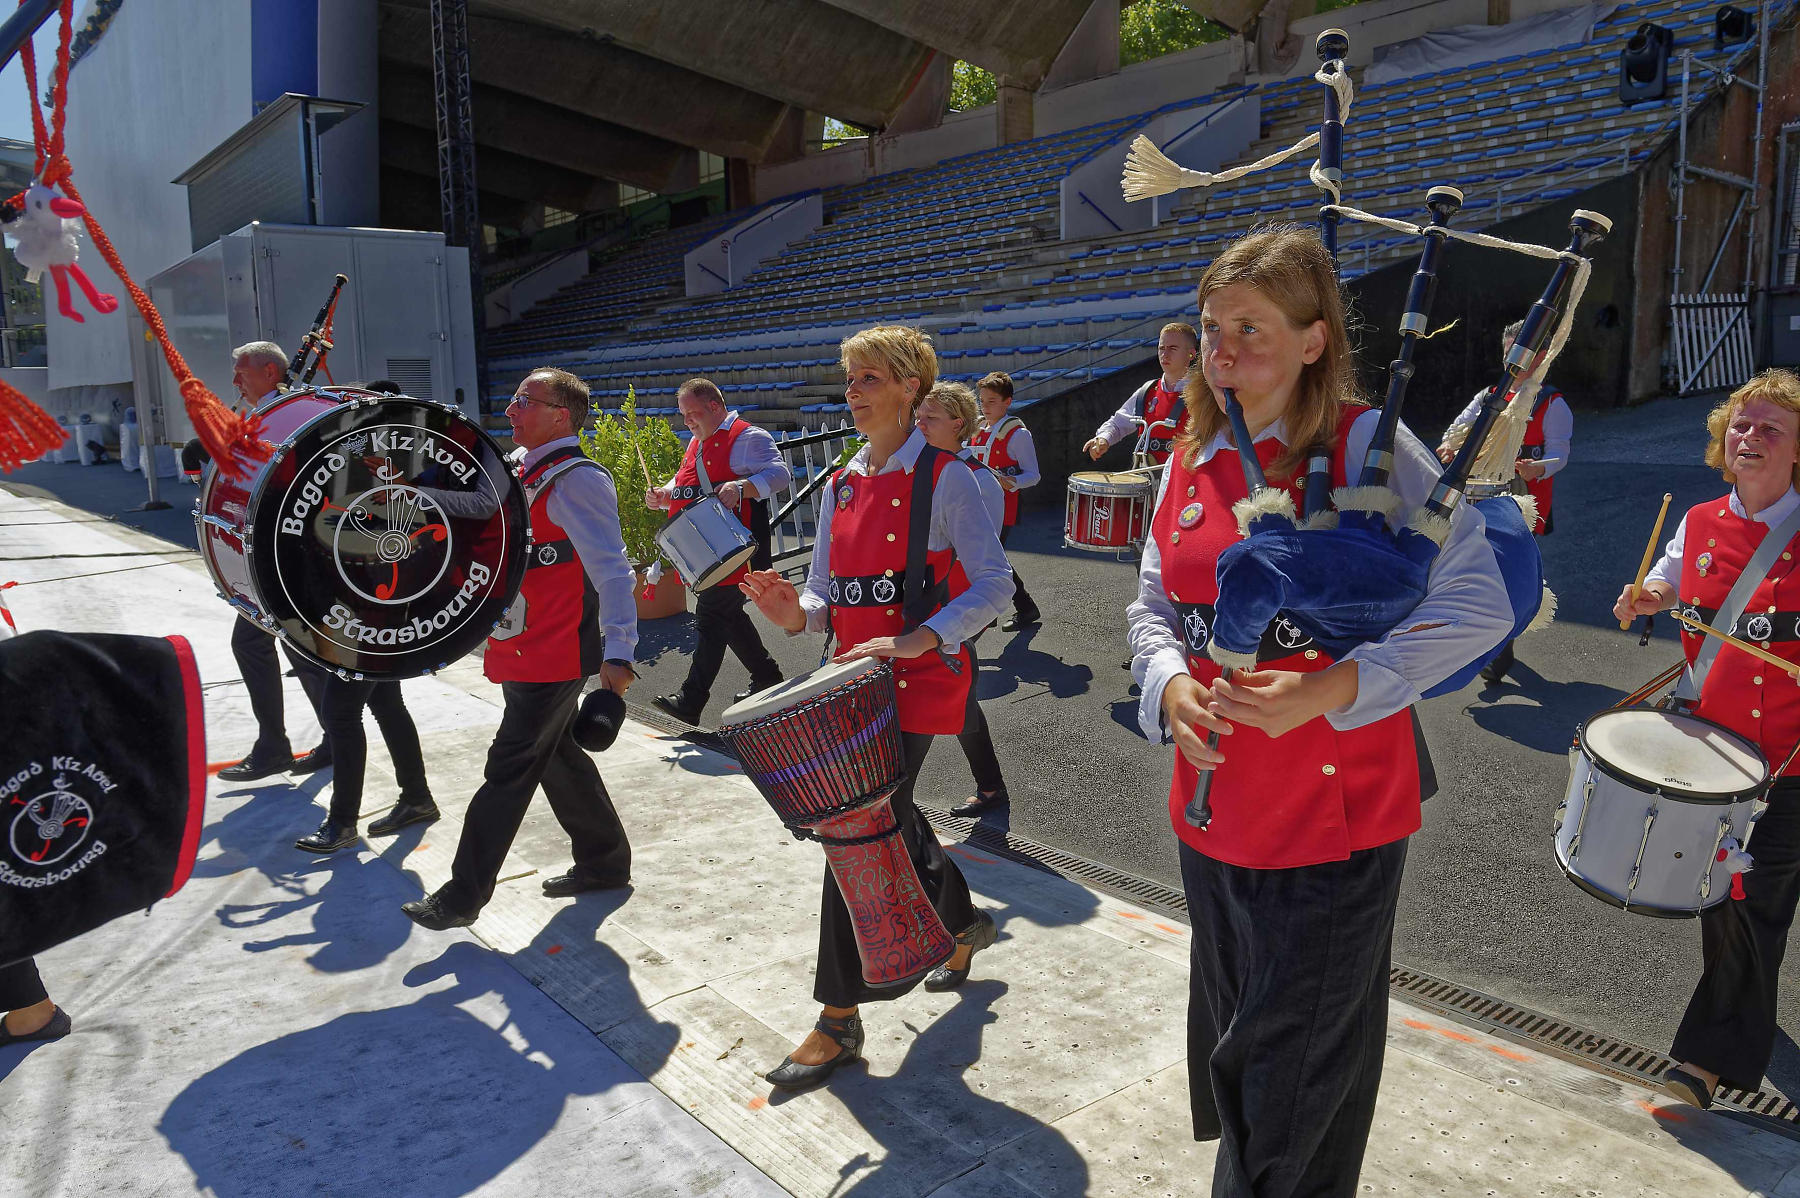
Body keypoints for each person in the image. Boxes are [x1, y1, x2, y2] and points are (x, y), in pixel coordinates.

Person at [1126, 225, 1510, 1195]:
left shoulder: (1374, 452)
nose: (1223, 351)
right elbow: (1154, 605)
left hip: (1330, 830)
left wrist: (1336, 687)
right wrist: (1168, 684)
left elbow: (1480, 602)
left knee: (1291, 1093)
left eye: (1251, 329)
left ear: (1313, 338)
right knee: (1242, 1065)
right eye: (1213, 327)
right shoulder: (1188, 457)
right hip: (1211, 817)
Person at [741, 326, 1009, 1091]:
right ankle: (963, 925)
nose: (852, 391)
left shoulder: (952, 479)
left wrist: (924, 637)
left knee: (851, 828)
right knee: (884, 819)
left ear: (909, 388)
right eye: (849, 378)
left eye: (868, 378)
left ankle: (837, 1019)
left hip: (917, 681)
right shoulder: (840, 483)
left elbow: (992, 584)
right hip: (850, 686)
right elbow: (827, 599)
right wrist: (793, 609)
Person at [1614, 368, 1800, 1112]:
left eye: (1770, 429)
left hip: (1795, 760)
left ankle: (1708, 1054)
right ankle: (1723, 1035)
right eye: (1741, 425)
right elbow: (1662, 582)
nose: (1749, 437)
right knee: (1736, 898)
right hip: (1720, 757)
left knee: (1755, 903)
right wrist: (1645, 597)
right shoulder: (1695, 522)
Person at [402, 367, 638, 929]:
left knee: (508, 766)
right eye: (513, 399)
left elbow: (613, 572)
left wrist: (621, 650)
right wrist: (408, 494)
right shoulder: (516, 469)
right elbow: (473, 510)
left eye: (524, 401)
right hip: (521, 642)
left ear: (561, 414)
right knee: (556, 755)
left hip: (557, 649)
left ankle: (463, 896)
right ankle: (605, 862)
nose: (510, 411)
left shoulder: (579, 479)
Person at [215, 341, 329, 782]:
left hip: (287, 551)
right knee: (284, 643)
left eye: (241, 372)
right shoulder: (266, 414)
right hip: (272, 548)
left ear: (268, 371)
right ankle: (301, 741)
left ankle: (280, 746)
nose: (234, 381)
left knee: (273, 642)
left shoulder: (285, 413)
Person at [1437, 318, 1573, 684]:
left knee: (1509, 572)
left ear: (1541, 356)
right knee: (1477, 571)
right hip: (1475, 496)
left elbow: (1560, 454)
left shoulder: (1551, 403)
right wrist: (1450, 447)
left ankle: (1500, 648)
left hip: (1518, 497)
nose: (1514, 362)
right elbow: (1456, 431)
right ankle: (1491, 647)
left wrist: (1537, 468)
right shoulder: (1488, 396)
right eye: (1509, 353)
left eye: (1523, 354)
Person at [648, 379, 790, 723]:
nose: (687, 422)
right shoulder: (697, 442)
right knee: (726, 615)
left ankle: (691, 699)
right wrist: (665, 494)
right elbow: (685, 481)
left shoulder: (749, 437)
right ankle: (767, 676)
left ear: (715, 406)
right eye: (683, 415)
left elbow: (780, 474)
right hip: (707, 550)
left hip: (735, 548)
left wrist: (743, 487)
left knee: (713, 616)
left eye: (692, 413)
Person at [914, 381, 1012, 819]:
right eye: (919, 417)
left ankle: (989, 788)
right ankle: (990, 786)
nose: (920, 425)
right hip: (930, 604)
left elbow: (984, 558)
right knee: (961, 694)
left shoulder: (977, 478)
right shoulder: (923, 468)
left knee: (950, 692)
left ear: (958, 423)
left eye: (930, 418)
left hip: (955, 605)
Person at [969, 371, 1040, 632]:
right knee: (992, 558)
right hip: (977, 503)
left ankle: (997, 612)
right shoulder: (978, 429)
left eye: (991, 401)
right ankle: (1024, 607)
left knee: (989, 558)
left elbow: (1034, 475)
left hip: (1002, 506)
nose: (984, 407)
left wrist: (1013, 482)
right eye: (982, 401)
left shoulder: (1018, 434)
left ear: (1007, 402)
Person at [1084, 322, 1199, 466]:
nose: (1165, 354)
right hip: (1147, 480)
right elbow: (1118, 424)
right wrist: (1103, 438)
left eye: (1173, 348)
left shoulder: (1202, 394)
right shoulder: (1147, 391)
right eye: (1161, 348)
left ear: (1191, 354)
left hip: (1186, 481)